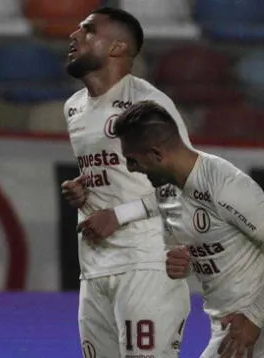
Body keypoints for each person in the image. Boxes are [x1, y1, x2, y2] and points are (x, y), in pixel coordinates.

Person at [112, 100, 264, 358]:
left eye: (133, 160)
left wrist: (254, 319)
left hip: (259, 328)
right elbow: (205, 252)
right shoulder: (166, 191)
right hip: (224, 327)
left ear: (157, 154)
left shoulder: (225, 185)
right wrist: (185, 265)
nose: (130, 169)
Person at [59, 7, 191, 358]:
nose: (74, 36)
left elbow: (188, 181)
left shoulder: (147, 104)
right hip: (94, 267)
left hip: (147, 264)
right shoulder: (74, 108)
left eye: (87, 30)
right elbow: (116, 172)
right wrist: (85, 186)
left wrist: (119, 215)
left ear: (117, 48)